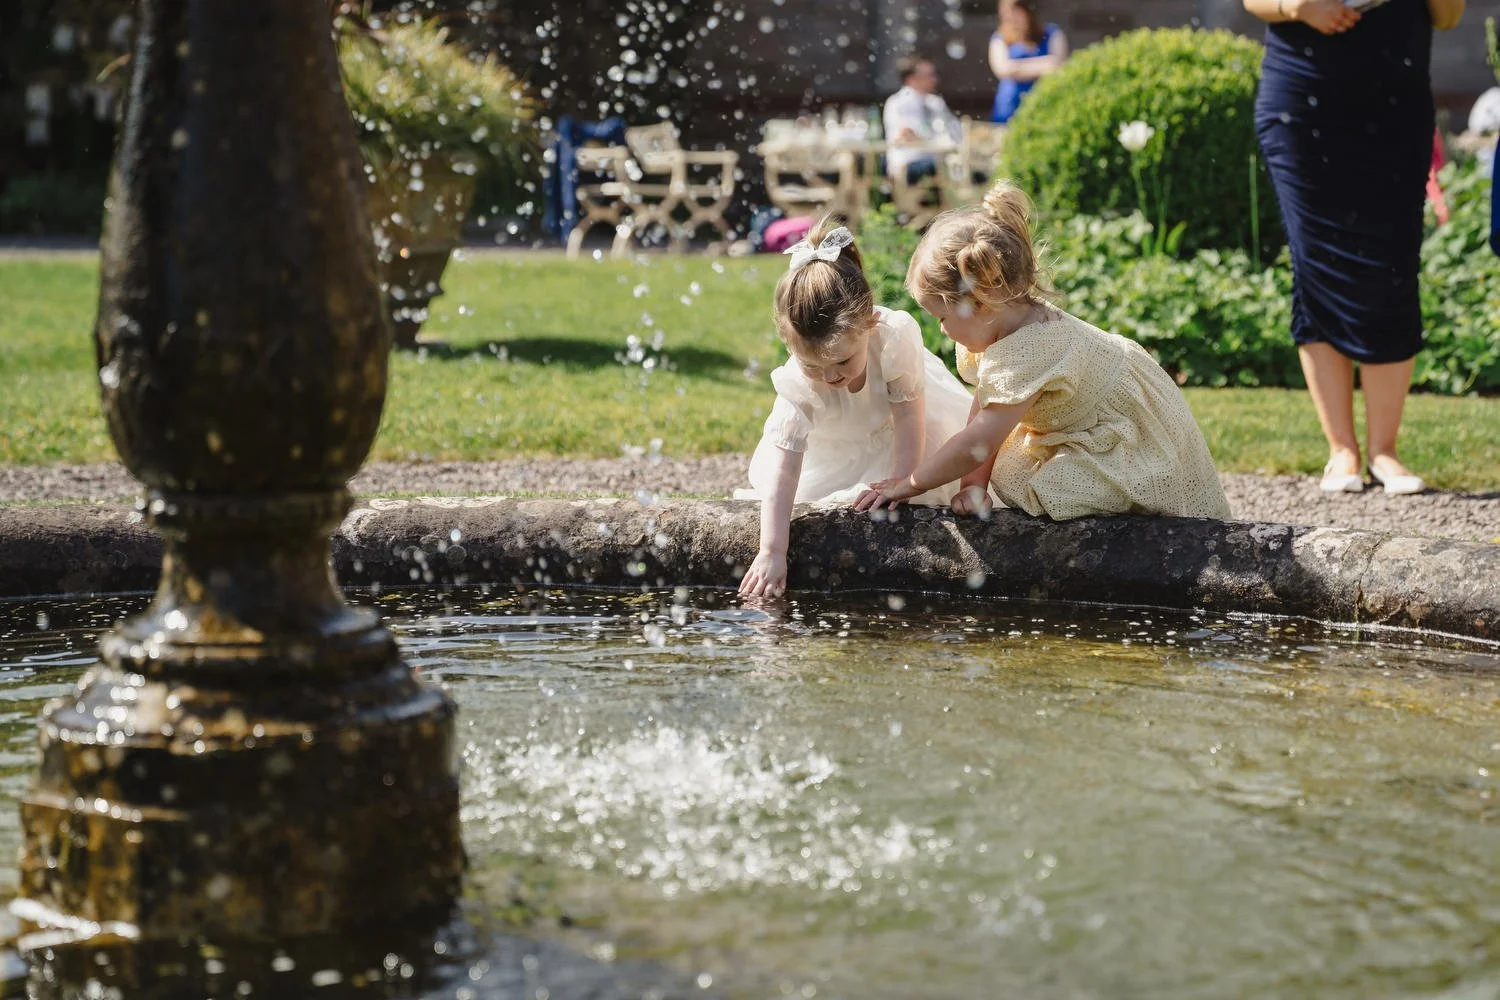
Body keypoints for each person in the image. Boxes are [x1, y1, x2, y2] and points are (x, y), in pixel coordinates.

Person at [859, 181, 1232, 522]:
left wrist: (910, 483)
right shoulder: (1002, 324)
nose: (941, 329)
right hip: (1084, 420)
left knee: (1046, 487)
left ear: (981, 304)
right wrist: (972, 486)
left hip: (1126, 431)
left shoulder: (1032, 347)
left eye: (942, 317)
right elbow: (984, 410)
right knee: (1010, 466)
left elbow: (977, 441)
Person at [1244, 0, 1465, 496]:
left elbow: (1448, 15)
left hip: (1395, 104)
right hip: (1302, 102)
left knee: (1392, 265)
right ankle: (1341, 449)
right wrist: (1295, 7)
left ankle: (1385, 451)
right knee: (1315, 262)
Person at [737, 217, 977, 598]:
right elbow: (784, 470)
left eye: (843, 363)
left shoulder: (892, 338)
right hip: (838, 447)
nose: (830, 377)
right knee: (802, 496)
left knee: (928, 485)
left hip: (903, 434)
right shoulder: (796, 384)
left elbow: (909, 417)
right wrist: (772, 551)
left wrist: (902, 481)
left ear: (869, 325)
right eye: (813, 365)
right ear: (789, 345)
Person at [882, 57, 964, 184]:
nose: (934, 79)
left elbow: (956, 131)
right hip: (910, 162)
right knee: (951, 170)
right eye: (929, 75)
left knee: (969, 168)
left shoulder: (935, 103)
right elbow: (908, 136)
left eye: (934, 74)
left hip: (936, 159)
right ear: (911, 79)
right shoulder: (898, 103)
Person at [988, 0, 1068, 125]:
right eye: (1006, 14)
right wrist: (1044, 65)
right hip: (1009, 110)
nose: (1011, 18)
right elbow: (1003, 69)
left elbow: (1059, 65)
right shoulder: (1000, 38)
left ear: (1027, 11)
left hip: (1045, 107)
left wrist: (1017, 68)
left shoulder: (1051, 33)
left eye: (1015, 13)